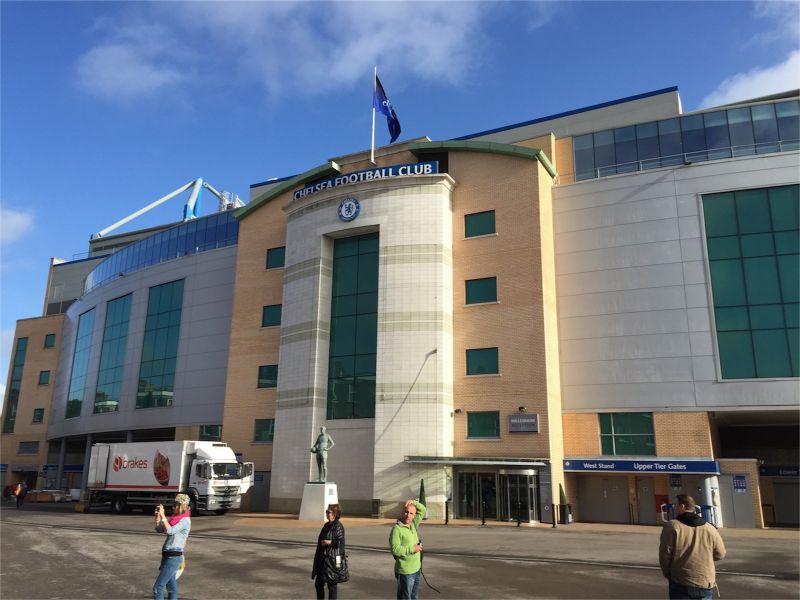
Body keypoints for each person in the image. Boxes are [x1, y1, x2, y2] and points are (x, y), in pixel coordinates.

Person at [659, 494, 726, 599]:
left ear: (682, 506)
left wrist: (669, 574)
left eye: (675, 505)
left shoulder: (672, 526)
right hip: (704, 581)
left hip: (680, 582)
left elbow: (664, 554)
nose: (675, 508)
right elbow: (720, 554)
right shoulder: (709, 528)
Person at [153, 493, 192, 600]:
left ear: (181, 506)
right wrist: (158, 519)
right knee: (171, 587)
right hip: (167, 554)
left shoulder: (185, 520)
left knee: (158, 587)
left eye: (175, 505)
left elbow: (170, 531)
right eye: (173, 505)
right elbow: (160, 529)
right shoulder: (175, 518)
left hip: (173, 557)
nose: (173, 507)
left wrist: (164, 516)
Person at [390, 499, 427, 600]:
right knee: (405, 598)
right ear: (402, 512)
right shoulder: (397, 529)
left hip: (416, 569)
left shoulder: (413, 524)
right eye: (406, 512)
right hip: (405, 572)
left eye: (411, 513)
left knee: (414, 597)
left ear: (414, 515)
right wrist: (412, 549)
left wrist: (413, 502)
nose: (408, 515)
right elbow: (395, 549)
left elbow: (423, 510)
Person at [312, 503, 346, 599]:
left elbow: (341, 544)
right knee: (318, 584)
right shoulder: (326, 525)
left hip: (333, 560)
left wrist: (329, 542)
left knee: (332, 586)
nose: (327, 514)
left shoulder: (338, 526)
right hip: (323, 560)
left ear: (335, 514)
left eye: (329, 512)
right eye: (326, 512)